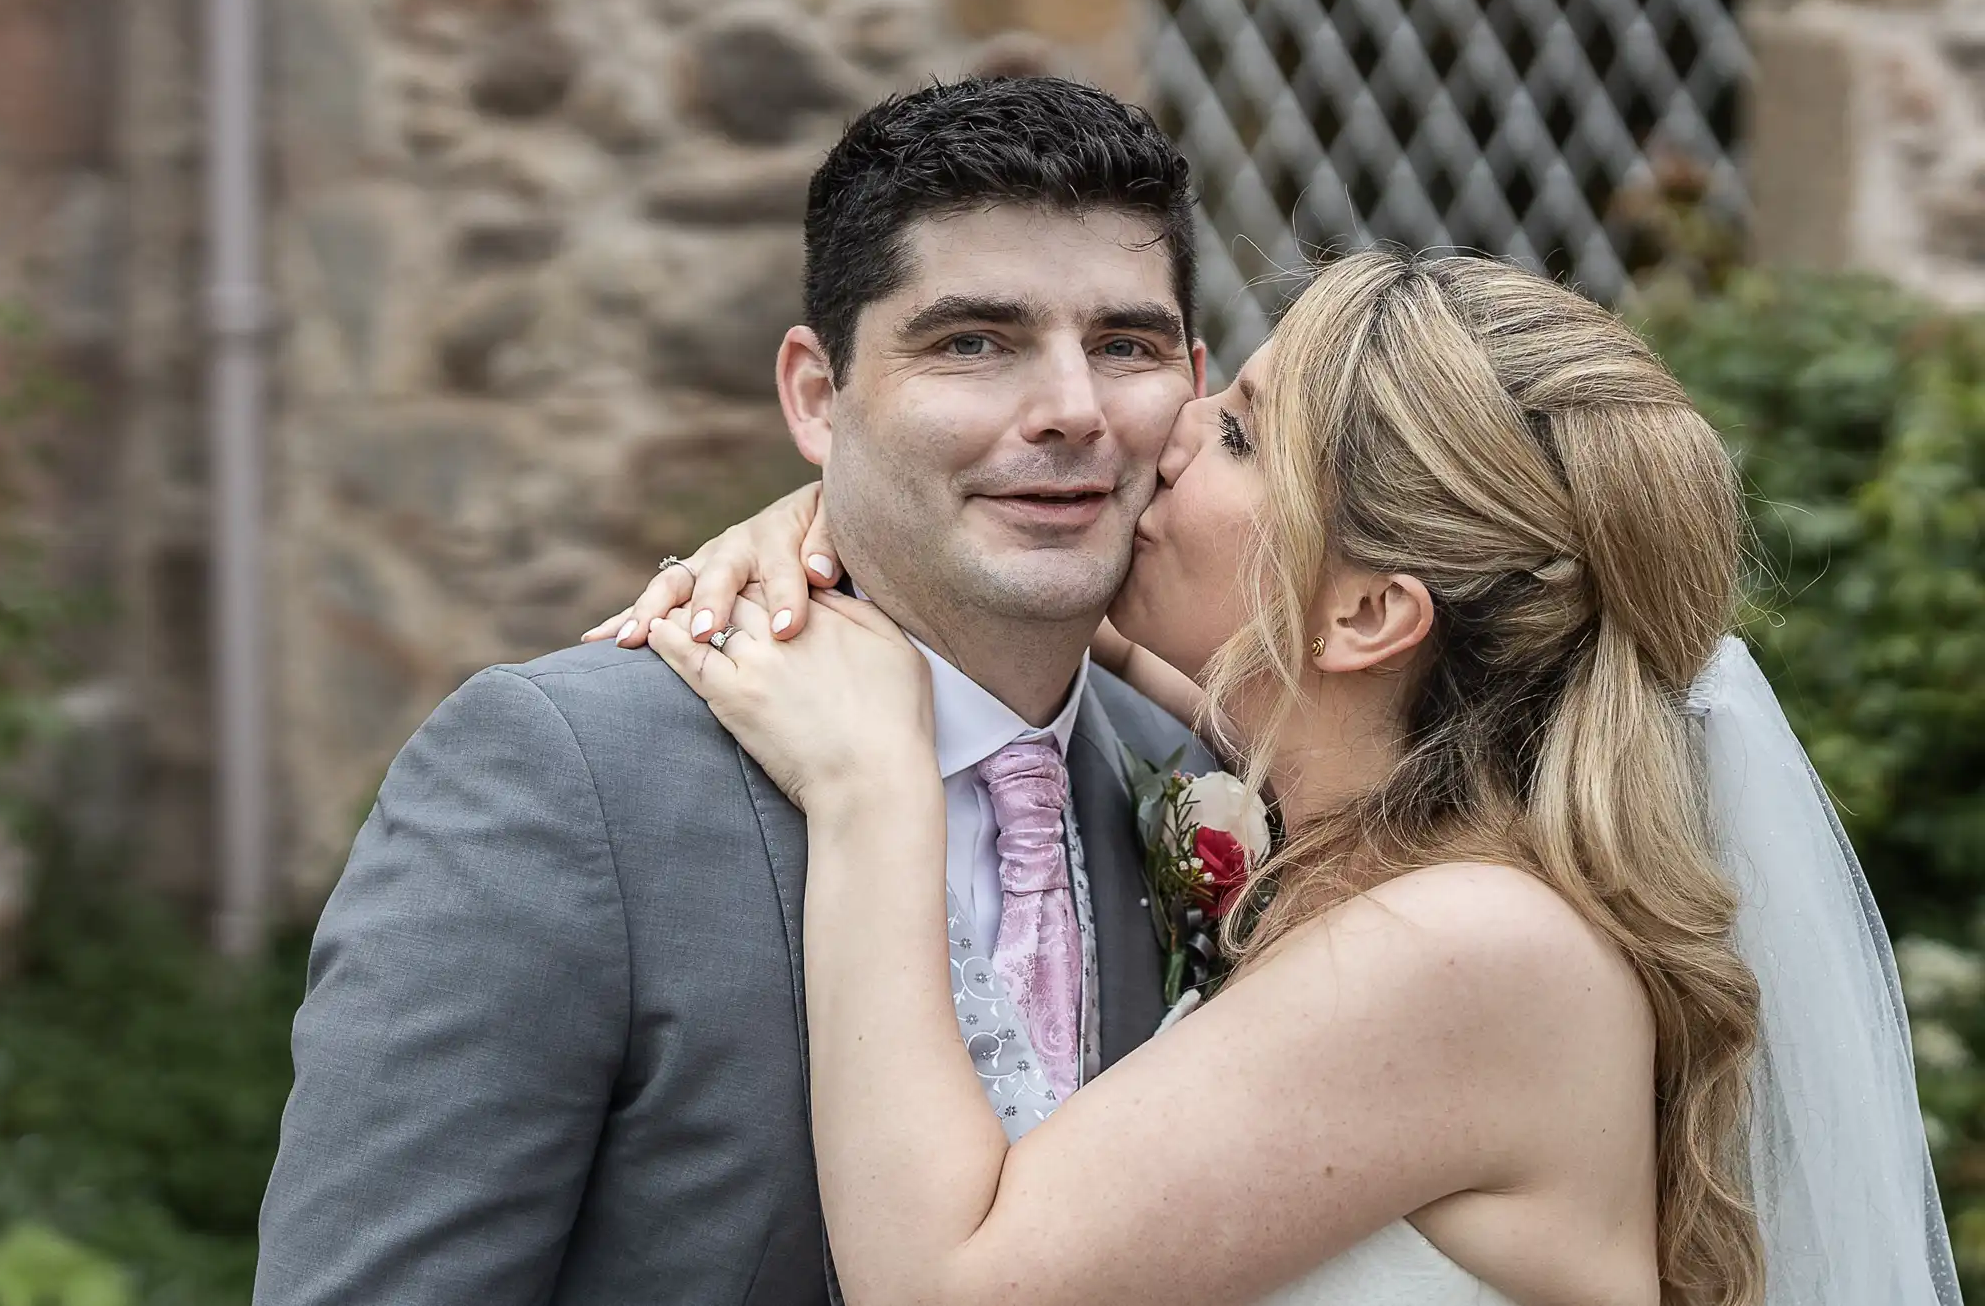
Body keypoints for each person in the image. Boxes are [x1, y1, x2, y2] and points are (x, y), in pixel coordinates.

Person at [597, 250, 1960, 1304]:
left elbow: (950, 1287)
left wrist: (871, 794)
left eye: (1244, 434)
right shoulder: (1374, 822)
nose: (1172, 428)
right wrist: (829, 508)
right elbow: (1023, 585)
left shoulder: (1468, 945)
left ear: (1366, 616)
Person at [252, 76, 1217, 1306]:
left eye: (1123, 346)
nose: (1071, 411)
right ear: (818, 396)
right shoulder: (563, 774)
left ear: (1189, 383)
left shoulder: (1205, 772)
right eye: (974, 341)